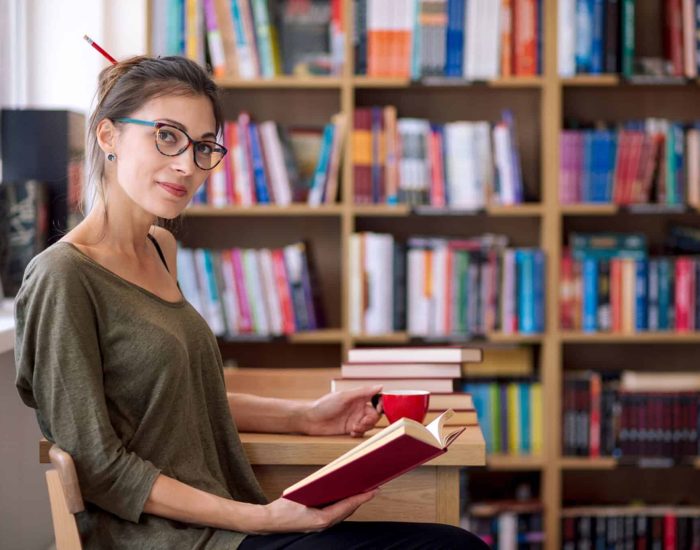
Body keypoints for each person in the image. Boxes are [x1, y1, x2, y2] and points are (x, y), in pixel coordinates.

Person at [14, 55, 488, 549]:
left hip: (229, 524)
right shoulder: (62, 276)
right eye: (167, 136)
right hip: (170, 541)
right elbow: (98, 465)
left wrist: (306, 416)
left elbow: (183, 400)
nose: (187, 165)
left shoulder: (160, 247)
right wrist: (260, 519)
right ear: (108, 135)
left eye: (203, 147)